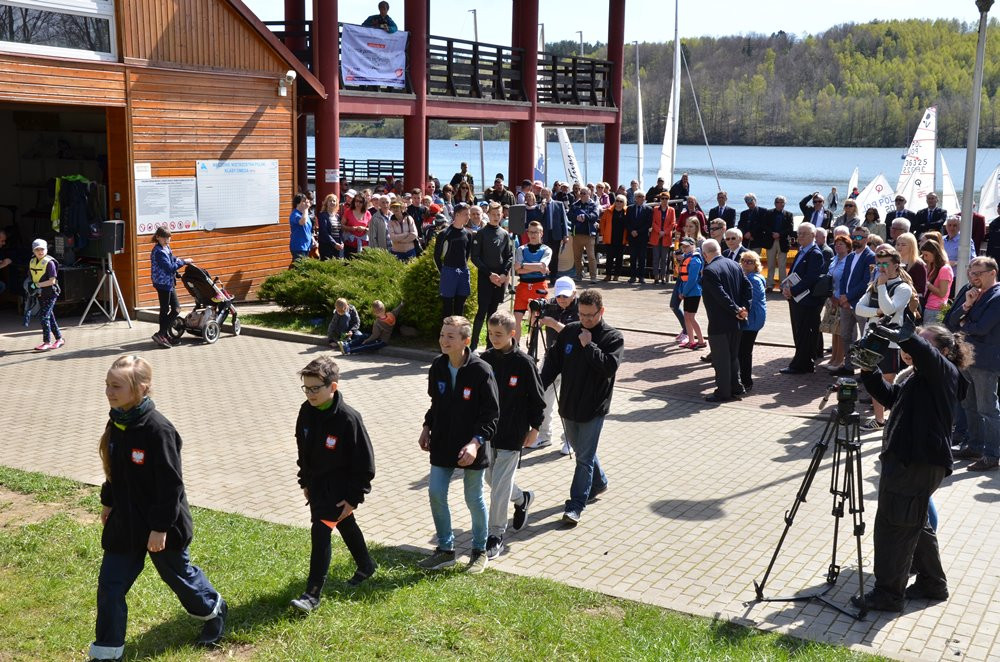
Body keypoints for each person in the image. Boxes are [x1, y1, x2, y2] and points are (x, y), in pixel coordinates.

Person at [90, 356, 226, 660]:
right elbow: (115, 469)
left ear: (142, 387)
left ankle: (213, 610)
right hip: (126, 522)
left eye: (116, 386)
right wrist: (109, 501)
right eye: (107, 385)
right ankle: (106, 653)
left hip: (161, 524)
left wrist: (160, 527)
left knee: (179, 577)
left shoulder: (158, 429)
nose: (109, 392)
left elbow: (170, 485)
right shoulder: (118, 420)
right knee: (110, 586)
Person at [850, 324, 969, 613]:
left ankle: (888, 595)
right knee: (915, 523)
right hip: (912, 461)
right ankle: (932, 583)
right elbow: (891, 397)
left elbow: (923, 351)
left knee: (893, 527)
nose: (911, 347)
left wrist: (905, 334)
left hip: (917, 462)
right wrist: (869, 370)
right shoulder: (921, 378)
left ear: (943, 351)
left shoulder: (945, 372)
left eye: (923, 342)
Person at [290, 356, 377, 613]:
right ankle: (366, 565)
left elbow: (366, 463)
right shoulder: (306, 411)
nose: (310, 393)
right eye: (306, 388)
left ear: (333, 387)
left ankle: (312, 594)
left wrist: (353, 498)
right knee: (344, 523)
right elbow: (302, 449)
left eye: (315, 388)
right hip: (316, 486)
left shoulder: (349, 419)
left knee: (321, 531)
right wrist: (304, 480)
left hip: (340, 488)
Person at [417, 316, 499, 573]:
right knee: (435, 492)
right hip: (442, 441)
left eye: (450, 336)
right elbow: (436, 404)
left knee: (473, 497)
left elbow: (491, 415)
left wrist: (475, 443)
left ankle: (479, 550)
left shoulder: (481, 370)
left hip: (473, 444)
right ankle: (445, 550)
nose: (443, 340)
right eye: (442, 334)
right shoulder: (437, 367)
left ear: (465, 341)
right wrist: (426, 427)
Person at [540, 289, 624, 526]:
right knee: (582, 453)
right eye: (582, 314)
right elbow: (553, 364)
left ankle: (575, 505)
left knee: (583, 458)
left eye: (590, 315)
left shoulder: (612, 337)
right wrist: (536, 389)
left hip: (593, 408)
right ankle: (599, 483)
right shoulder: (569, 331)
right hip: (568, 405)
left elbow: (608, 368)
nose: (585, 320)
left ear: (601, 311)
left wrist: (589, 347)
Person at [480, 310, 545, 559]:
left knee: (499, 487)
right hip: (487, 433)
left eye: (499, 334)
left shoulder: (524, 363)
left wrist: (535, 428)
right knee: (491, 479)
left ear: (512, 334)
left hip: (513, 433)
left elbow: (538, 401)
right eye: (491, 333)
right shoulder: (484, 360)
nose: (494, 338)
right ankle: (523, 498)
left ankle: (495, 534)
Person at [945, 256, 1000, 471]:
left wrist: (963, 323)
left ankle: (992, 454)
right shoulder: (971, 292)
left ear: (992, 273)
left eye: (978, 273)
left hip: (986, 362)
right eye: (971, 272)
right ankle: (975, 446)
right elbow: (951, 321)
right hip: (966, 358)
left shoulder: (997, 297)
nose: (973, 277)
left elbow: (982, 328)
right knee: (969, 405)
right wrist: (967, 304)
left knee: (988, 409)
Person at [854, 245, 917, 431]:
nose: (881, 267)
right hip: (871, 339)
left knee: (887, 384)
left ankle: (892, 420)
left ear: (896, 265)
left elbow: (890, 309)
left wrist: (882, 287)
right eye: (879, 263)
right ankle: (879, 419)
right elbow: (859, 309)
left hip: (890, 343)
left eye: (885, 264)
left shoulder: (903, 288)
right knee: (873, 382)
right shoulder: (874, 285)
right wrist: (877, 311)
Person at [529, 276, 579, 454]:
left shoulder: (582, 307)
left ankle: (570, 439)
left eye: (566, 296)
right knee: (543, 397)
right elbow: (534, 321)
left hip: (573, 360)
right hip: (552, 357)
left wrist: (553, 324)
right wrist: (534, 313)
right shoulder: (549, 305)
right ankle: (543, 435)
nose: (562, 300)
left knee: (568, 401)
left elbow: (575, 333)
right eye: (559, 296)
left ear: (574, 293)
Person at [700, 240, 751, 402]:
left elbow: (720, 295)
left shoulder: (709, 271)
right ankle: (736, 386)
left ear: (705, 254)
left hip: (720, 321)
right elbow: (747, 287)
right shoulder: (735, 265)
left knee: (721, 358)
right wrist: (743, 308)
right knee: (733, 356)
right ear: (719, 249)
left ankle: (723, 392)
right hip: (737, 321)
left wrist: (736, 309)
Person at [780, 223, 825, 374]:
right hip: (796, 299)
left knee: (805, 332)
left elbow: (811, 278)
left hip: (806, 300)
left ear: (813, 236)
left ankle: (801, 364)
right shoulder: (801, 252)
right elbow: (794, 273)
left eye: (804, 234)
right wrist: (786, 288)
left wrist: (792, 290)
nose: (800, 236)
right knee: (798, 330)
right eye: (799, 233)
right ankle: (801, 361)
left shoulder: (815, 253)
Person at [831, 227, 875, 376]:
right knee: (846, 335)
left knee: (864, 338)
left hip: (860, 304)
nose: (856, 240)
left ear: (866, 239)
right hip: (845, 303)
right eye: (854, 237)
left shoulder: (870, 256)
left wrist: (847, 297)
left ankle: (865, 370)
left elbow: (865, 282)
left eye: (860, 237)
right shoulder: (850, 257)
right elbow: (844, 278)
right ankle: (849, 366)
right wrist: (842, 295)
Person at [470, 201, 513, 350]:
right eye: (493, 214)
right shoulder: (481, 233)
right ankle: (473, 345)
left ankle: (490, 347)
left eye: (498, 214)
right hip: (485, 277)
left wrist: (503, 274)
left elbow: (509, 256)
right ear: (488, 214)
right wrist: (489, 274)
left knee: (493, 313)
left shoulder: (504, 233)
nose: (496, 217)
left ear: (502, 215)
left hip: (499, 279)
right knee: (482, 311)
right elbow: (475, 257)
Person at [150, 228, 192, 349]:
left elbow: (171, 259)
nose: (167, 240)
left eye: (169, 238)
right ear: (158, 237)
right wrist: (184, 262)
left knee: (176, 309)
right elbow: (168, 267)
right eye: (164, 238)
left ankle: (163, 334)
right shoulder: (158, 251)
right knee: (166, 309)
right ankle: (160, 335)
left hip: (169, 282)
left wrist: (179, 260)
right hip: (162, 284)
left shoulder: (166, 248)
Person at [513, 222, 552, 345]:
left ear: (541, 233)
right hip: (523, 286)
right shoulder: (521, 249)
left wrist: (524, 265)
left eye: (536, 232)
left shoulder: (546, 249)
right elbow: (517, 269)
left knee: (535, 319)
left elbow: (542, 265)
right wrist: (536, 267)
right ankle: (515, 346)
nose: (533, 235)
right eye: (530, 232)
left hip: (539, 287)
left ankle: (532, 344)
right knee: (516, 319)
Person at [434, 202, 473, 320]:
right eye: (465, 214)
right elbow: (436, 256)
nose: (468, 217)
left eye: (468, 214)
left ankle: (458, 332)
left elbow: (466, 254)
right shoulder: (444, 234)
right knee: (447, 305)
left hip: (463, 271)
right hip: (448, 271)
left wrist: (463, 266)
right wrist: (444, 271)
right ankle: (446, 332)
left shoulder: (468, 233)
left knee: (460, 303)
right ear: (456, 215)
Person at [28, 238, 65, 352]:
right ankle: (59, 339)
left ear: (46, 249)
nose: (40, 252)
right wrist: (31, 287)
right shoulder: (32, 261)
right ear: (33, 251)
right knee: (50, 317)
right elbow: (31, 277)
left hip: (50, 294)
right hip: (40, 294)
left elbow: (52, 281)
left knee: (44, 317)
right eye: (37, 249)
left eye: (42, 249)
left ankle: (47, 342)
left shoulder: (50, 263)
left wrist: (36, 286)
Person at [738, 251, 767, 390]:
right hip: (752, 318)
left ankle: (746, 381)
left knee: (744, 351)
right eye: (743, 260)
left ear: (755, 264)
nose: (745, 263)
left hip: (752, 319)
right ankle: (743, 379)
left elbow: (751, 301)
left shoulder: (753, 279)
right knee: (743, 350)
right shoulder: (750, 276)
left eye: (749, 261)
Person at [824, 236, 852, 370]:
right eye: (836, 244)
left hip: (842, 299)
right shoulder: (833, 259)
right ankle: (833, 357)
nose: (838, 246)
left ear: (848, 247)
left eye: (841, 244)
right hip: (831, 298)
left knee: (841, 330)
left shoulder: (849, 261)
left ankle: (840, 360)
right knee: (834, 330)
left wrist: (841, 298)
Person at [537, 187, 571, 288]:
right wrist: (541, 210)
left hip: (556, 234)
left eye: (546, 194)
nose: (545, 196)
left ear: (550, 194)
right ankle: (544, 276)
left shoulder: (558, 204)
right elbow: (538, 220)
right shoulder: (540, 206)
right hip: (545, 235)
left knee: (555, 256)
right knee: (544, 255)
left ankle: (553, 277)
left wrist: (566, 235)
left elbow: (564, 221)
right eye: (543, 194)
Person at [676, 238, 706, 350]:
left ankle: (701, 341)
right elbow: (682, 278)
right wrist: (681, 291)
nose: (684, 249)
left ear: (693, 246)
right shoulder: (686, 258)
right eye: (683, 247)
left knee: (691, 317)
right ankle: (691, 341)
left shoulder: (695, 260)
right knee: (687, 316)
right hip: (687, 291)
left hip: (694, 292)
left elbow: (692, 279)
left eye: (687, 246)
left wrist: (684, 292)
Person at [569, 187, 599, 283]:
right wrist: (576, 217)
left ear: (589, 194)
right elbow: (569, 215)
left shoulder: (593, 205)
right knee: (577, 257)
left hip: (589, 235)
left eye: (584, 193)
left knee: (591, 256)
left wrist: (584, 217)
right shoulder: (575, 205)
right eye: (581, 193)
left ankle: (593, 276)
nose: (582, 194)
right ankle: (579, 275)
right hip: (576, 234)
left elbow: (595, 216)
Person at [765, 196, 795, 290]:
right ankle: (769, 284)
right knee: (770, 264)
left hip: (783, 241)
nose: (780, 204)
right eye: (778, 202)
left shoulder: (789, 214)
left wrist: (780, 234)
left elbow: (790, 228)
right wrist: (772, 233)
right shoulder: (769, 213)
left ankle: (783, 285)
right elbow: (765, 225)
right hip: (771, 240)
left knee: (782, 265)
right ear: (775, 203)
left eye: (782, 202)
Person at [920, 240, 953, 324]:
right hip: (930, 307)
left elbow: (942, 293)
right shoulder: (934, 268)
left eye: (926, 255)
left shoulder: (945, 269)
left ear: (934, 253)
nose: (924, 258)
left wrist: (927, 283)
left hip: (936, 310)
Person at [624, 191, 651, 284]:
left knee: (642, 257)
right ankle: (633, 276)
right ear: (635, 198)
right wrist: (631, 231)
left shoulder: (648, 209)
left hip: (642, 236)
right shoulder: (630, 208)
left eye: (643, 196)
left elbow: (648, 224)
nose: (641, 198)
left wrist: (638, 232)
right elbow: (626, 222)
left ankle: (641, 276)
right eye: (639, 196)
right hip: (632, 236)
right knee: (633, 257)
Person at [649, 193, 675, 284]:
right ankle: (656, 277)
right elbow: (653, 222)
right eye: (663, 198)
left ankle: (663, 277)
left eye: (666, 198)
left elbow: (672, 223)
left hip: (666, 237)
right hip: (656, 235)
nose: (664, 200)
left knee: (665, 258)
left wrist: (665, 232)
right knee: (656, 257)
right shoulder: (656, 209)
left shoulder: (671, 210)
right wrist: (659, 231)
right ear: (660, 200)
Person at [600, 194, 628, 281]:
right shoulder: (608, 211)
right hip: (610, 237)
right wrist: (603, 234)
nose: (618, 203)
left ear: (624, 203)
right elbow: (602, 223)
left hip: (621, 238)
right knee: (609, 257)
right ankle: (608, 275)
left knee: (619, 258)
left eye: (621, 201)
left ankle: (616, 275)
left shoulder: (626, 212)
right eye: (617, 200)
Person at [342, 192, 370, 259]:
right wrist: (351, 228)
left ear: (364, 203)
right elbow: (342, 226)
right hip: (350, 243)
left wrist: (364, 229)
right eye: (356, 201)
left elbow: (371, 228)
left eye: (361, 202)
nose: (358, 203)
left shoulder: (367, 213)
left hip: (364, 245)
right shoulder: (348, 212)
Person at [317, 194, 345, 260]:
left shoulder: (337, 216)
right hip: (327, 245)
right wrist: (334, 243)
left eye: (334, 201)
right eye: (330, 201)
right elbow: (324, 232)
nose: (332, 202)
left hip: (337, 245)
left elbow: (340, 231)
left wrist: (341, 242)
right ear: (326, 203)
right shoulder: (322, 215)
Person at [289, 193, 313, 262]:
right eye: (303, 201)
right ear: (298, 203)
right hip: (298, 246)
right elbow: (302, 222)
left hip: (306, 246)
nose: (305, 203)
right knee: (300, 269)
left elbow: (308, 229)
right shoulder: (295, 214)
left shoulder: (305, 214)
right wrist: (306, 209)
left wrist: (312, 239)